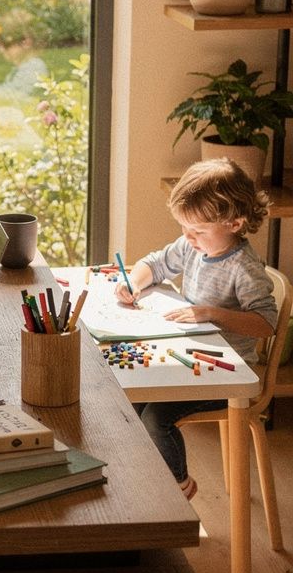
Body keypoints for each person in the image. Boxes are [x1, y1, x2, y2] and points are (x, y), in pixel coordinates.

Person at [116, 159, 276, 501]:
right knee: (130, 401)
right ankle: (145, 475)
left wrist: (211, 313)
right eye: (184, 228)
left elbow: (265, 324)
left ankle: (178, 486)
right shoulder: (193, 247)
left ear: (234, 223)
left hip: (226, 372)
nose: (188, 238)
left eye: (198, 231)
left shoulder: (244, 269)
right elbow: (155, 263)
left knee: (157, 418)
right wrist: (133, 283)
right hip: (190, 360)